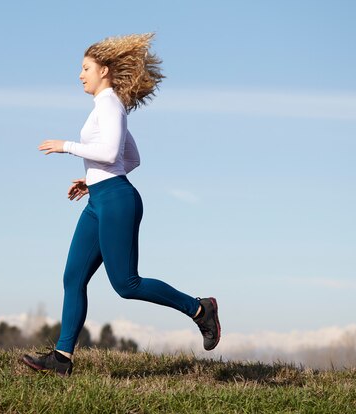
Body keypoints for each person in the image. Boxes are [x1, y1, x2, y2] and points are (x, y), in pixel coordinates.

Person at [21, 33, 220, 376]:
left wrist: (66, 145)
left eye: (85, 68)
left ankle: (200, 309)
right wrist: (91, 179)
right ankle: (62, 358)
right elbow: (132, 158)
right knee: (73, 277)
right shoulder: (103, 107)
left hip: (117, 202)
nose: (80, 75)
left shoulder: (110, 103)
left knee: (126, 285)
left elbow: (113, 154)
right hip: (100, 199)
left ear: (105, 70)